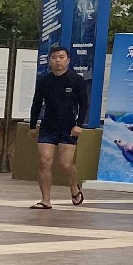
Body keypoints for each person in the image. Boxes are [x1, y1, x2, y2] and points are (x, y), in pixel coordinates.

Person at [28, 45, 90, 209]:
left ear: (68, 60)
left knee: (65, 163)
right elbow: (36, 103)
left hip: (68, 127)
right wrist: (33, 125)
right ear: (49, 60)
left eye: (61, 57)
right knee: (44, 161)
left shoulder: (76, 80)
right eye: (54, 58)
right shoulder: (44, 81)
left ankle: (74, 187)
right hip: (48, 126)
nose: (58, 61)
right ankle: (45, 200)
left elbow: (84, 104)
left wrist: (79, 125)